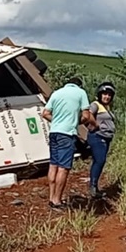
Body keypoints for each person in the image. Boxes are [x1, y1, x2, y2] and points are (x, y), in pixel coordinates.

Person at [41, 77, 97, 208]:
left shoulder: (57, 93)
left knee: (53, 165)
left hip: (54, 132)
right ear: (79, 85)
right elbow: (87, 116)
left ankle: (51, 197)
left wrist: (57, 121)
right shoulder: (80, 93)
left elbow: (45, 113)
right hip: (67, 134)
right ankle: (57, 200)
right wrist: (77, 122)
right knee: (64, 168)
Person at [88, 82, 116, 199]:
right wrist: (95, 125)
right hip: (98, 136)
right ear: (100, 94)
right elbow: (87, 115)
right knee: (100, 160)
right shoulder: (95, 105)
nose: (107, 97)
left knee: (100, 161)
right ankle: (93, 187)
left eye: (109, 95)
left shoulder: (106, 108)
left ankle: (95, 187)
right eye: (104, 94)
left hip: (106, 137)